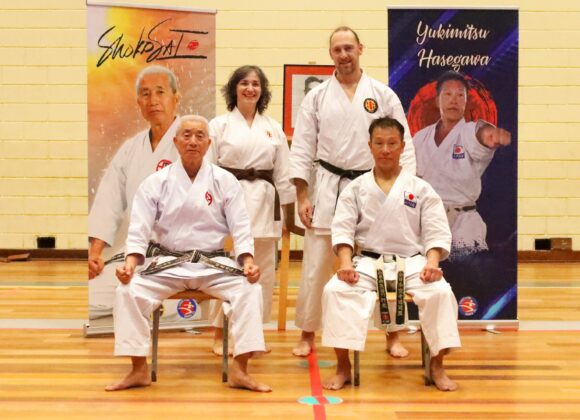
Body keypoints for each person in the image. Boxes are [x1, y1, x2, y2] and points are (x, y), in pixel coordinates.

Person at [105, 115, 271, 393]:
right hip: (168, 263)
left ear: (208, 143)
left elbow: (241, 226)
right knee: (127, 290)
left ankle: (240, 370)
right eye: (187, 135)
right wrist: (130, 264)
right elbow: (139, 229)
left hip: (213, 262)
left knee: (250, 289)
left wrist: (249, 262)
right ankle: (138, 369)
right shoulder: (156, 182)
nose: (193, 141)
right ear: (176, 142)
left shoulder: (224, 180)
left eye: (199, 136)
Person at [289, 26, 416, 357]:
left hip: (375, 185)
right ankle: (307, 332)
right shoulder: (317, 96)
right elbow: (302, 147)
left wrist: (402, 191)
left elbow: (406, 143)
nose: (343, 54)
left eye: (349, 48)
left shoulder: (383, 94)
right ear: (331, 54)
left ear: (360, 49)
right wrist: (303, 196)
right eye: (337, 50)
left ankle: (392, 333)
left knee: (385, 262)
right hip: (328, 186)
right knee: (317, 263)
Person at [321, 116, 461, 392]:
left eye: (391, 143)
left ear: (402, 146)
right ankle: (343, 366)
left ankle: (437, 364)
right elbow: (343, 229)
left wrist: (432, 262)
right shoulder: (356, 188)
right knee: (335, 290)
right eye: (379, 143)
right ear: (370, 147)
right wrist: (346, 263)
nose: (385, 149)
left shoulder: (421, 188)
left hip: (412, 261)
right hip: (368, 262)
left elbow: (435, 230)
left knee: (441, 292)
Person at [208, 65, 295, 355]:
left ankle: (254, 335)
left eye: (256, 84)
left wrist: (287, 213)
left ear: (263, 91)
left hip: (265, 204)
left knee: (263, 272)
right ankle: (219, 335)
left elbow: (283, 173)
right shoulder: (218, 126)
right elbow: (208, 170)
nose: (250, 88)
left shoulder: (272, 128)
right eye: (244, 83)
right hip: (228, 202)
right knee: (227, 270)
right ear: (234, 88)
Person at [88, 65, 181, 319]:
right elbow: (109, 201)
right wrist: (95, 254)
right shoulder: (131, 149)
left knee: (164, 306)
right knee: (90, 301)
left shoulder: (193, 139)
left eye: (160, 92)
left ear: (176, 98)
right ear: (138, 102)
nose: (153, 101)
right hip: (133, 256)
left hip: (176, 258)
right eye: (145, 94)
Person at [413, 70, 511, 257]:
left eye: (460, 95)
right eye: (448, 94)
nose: (454, 99)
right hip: (428, 221)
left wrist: (489, 135)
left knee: (468, 281)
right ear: (437, 100)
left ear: (466, 102)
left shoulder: (469, 131)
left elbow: (481, 133)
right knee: (428, 279)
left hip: (463, 224)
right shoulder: (420, 137)